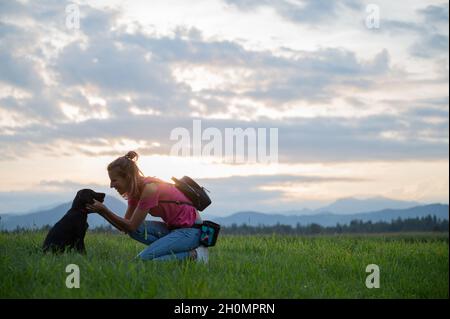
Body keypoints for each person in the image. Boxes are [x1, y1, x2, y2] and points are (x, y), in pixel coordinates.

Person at [85, 151, 208, 263]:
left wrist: (104, 210)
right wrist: (101, 212)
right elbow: (126, 228)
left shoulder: (150, 188)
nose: (111, 185)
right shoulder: (134, 191)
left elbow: (131, 225)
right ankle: (168, 248)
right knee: (134, 232)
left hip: (191, 232)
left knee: (143, 261)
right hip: (172, 229)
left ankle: (195, 255)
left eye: (114, 180)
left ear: (127, 177)